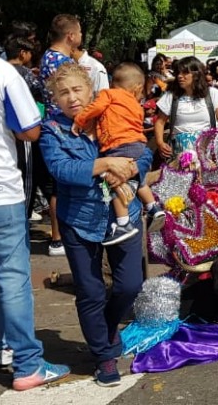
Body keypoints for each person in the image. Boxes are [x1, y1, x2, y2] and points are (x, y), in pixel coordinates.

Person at [40, 62, 149, 387]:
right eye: (63, 93)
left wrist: (130, 170)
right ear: (55, 100)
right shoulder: (52, 130)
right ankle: (104, 356)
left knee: (130, 285)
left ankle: (104, 328)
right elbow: (62, 170)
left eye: (77, 90)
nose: (72, 98)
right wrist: (104, 162)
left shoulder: (112, 111)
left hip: (124, 215)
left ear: (91, 90)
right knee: (90, 292)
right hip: (79, 221)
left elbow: (142, 151)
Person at [0, 56, 71, 390]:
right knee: (11, 278)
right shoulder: (2, 72)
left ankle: (2, 347)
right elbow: (29, 130)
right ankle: (27, 363)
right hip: (1, 192)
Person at [73, 62, 165, 245]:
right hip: (138, 144)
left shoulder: (108, 94)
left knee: (114, 181)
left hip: (118, 145)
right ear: (137, 88)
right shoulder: (135, 104)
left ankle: (123, 224)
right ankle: (153, 207)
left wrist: (80, 119)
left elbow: (96, 108)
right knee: (138, 178)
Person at [40, 13, 82, 257]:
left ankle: (60, 236)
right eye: (79, 33)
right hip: (65, 127)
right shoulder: (61, 61)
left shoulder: (48, 57)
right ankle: (59, 238)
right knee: (61, 184)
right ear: (71, 36)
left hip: (57, 125)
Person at [155, 56, 218, 160]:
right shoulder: (171, 96)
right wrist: (160, 143)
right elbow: (160, 122)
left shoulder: (213, 94)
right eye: (178, 73)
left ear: (196, 74)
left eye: (185, 73)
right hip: (179, 156)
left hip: (207, 153)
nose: (180, 76)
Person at [5, 36, 44, 219]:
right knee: (26, 178)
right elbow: (41, 94)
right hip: (23, 131)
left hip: (5, 134)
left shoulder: (2, 72)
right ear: (22, 53)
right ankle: (24, 217)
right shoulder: (24, 74)